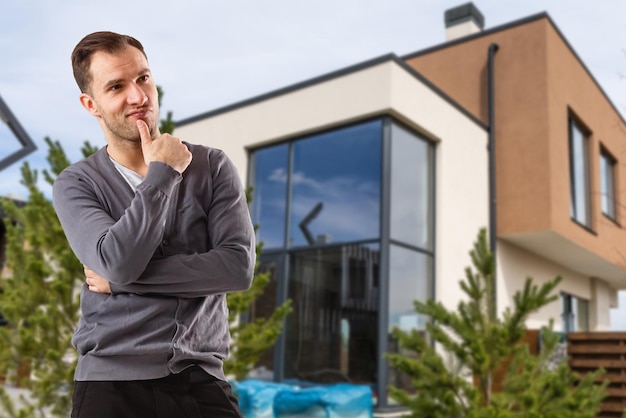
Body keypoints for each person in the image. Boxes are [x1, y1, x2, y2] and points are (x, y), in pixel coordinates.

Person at [52, 31, 255, 418]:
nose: (138, 97)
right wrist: (162, 173)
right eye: (116, 86)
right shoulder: (76, 183)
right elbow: (118, 260)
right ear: (90, 104)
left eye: (143, 78)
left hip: (201, 379)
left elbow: (236, 268)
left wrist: (120, 282)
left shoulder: (211, 167)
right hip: (110, 383)